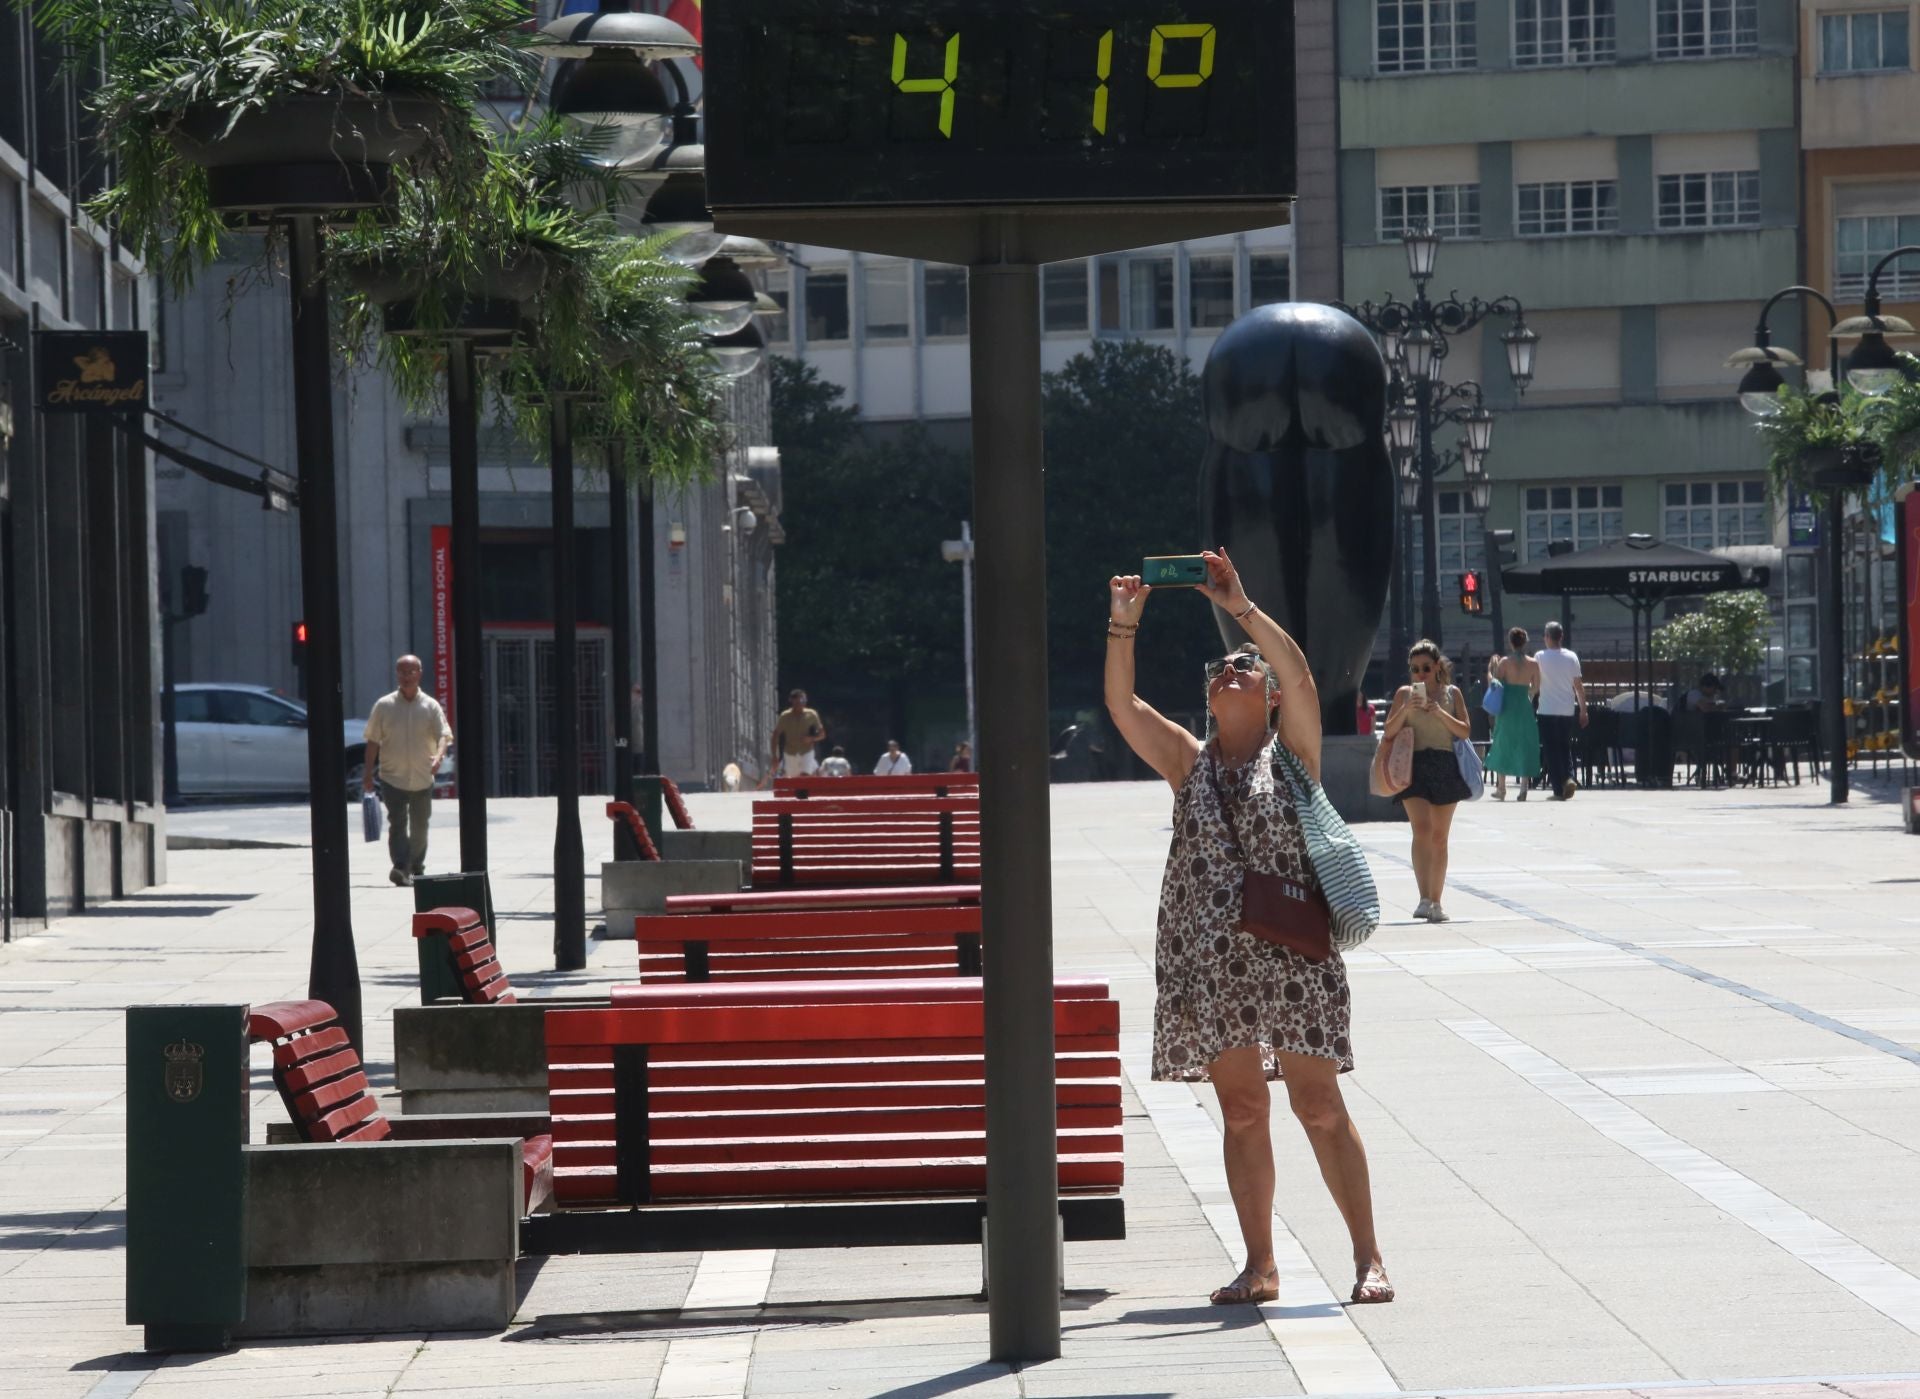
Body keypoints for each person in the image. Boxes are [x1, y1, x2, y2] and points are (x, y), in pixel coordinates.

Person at [1104, 547, 1391, 1309]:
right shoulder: (1188, 763)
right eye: (1220, 670)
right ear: (1210, 699)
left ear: (1267, 696)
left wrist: (1238, 603)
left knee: (1319, 1104)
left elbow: (1299, 671)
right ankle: (1260, 1263)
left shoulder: (1293, 755)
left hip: (1295, 955)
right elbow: (1124, 709)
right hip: (1217, 966)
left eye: (1244, 667)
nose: (1232, 671)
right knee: (1241, 1109)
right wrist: (1122, 625)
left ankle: (1368, 1256)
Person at [1382, 641, 1473, 922]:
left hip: (1445, 765)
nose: (1420, 674)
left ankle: (1437, 900)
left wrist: (1439, 712)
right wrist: (1405, 708)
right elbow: (1388, 731)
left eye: (1425, 668)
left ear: (1436, 668)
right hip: (1415, 766)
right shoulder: (1404, 695)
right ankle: (1423, 898)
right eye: (1414, 669)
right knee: (1421, 830)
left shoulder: (1451, 694)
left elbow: (1465, 730)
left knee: (1439, 837)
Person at [362, 654, 450, 887]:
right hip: (393, 776)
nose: (407, 677)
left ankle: (417, 867)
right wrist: (368, 773)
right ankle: (401, 867)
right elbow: (373, 740)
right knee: (398, 823)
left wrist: (439, 756)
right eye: (402, 672)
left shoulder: (430, 706)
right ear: (396, 675)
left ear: (420, 673)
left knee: (420, 825)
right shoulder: (384, 706)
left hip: (422, 776)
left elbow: (444, 735)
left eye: (411, 672)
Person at [1484, 627, 1541, 802]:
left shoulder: (1504, 663)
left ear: (1511, 642)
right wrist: (1528, 695)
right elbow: (1536, 687)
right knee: (1525, 743)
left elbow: (1496, 685)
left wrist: (1489, 670)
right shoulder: (1533, 663)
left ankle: (1501, 788)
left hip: (1507, 707)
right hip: (1523, 705)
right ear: (1525, 642)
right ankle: (1523, 787)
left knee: (1503, 742)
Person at [1534, 621, 1588, 799]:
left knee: (1551, 749)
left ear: (1548, 637)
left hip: (1546, 710)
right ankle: (1569, 778)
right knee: (1565, 747)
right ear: (1561, 637)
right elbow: (1578, 687)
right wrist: (1583, 710)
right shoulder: (1571, 657)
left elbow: (1534, 683)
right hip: (1566, 710)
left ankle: (1558, 788)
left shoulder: (1540, 657)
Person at [761, 689, 825, 786]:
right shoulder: (785, 716)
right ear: (791, 702)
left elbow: (822, 734)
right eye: (797, 702)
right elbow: (775, 736)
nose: (800, 704)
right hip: (790, 752)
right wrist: (775, 756)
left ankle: (804, 798)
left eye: (802, 701)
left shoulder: (811, 714)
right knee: (794, 780)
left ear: (805, 701)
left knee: (805, 776)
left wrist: (811, 739)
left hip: (806, 751)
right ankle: (797, 798)